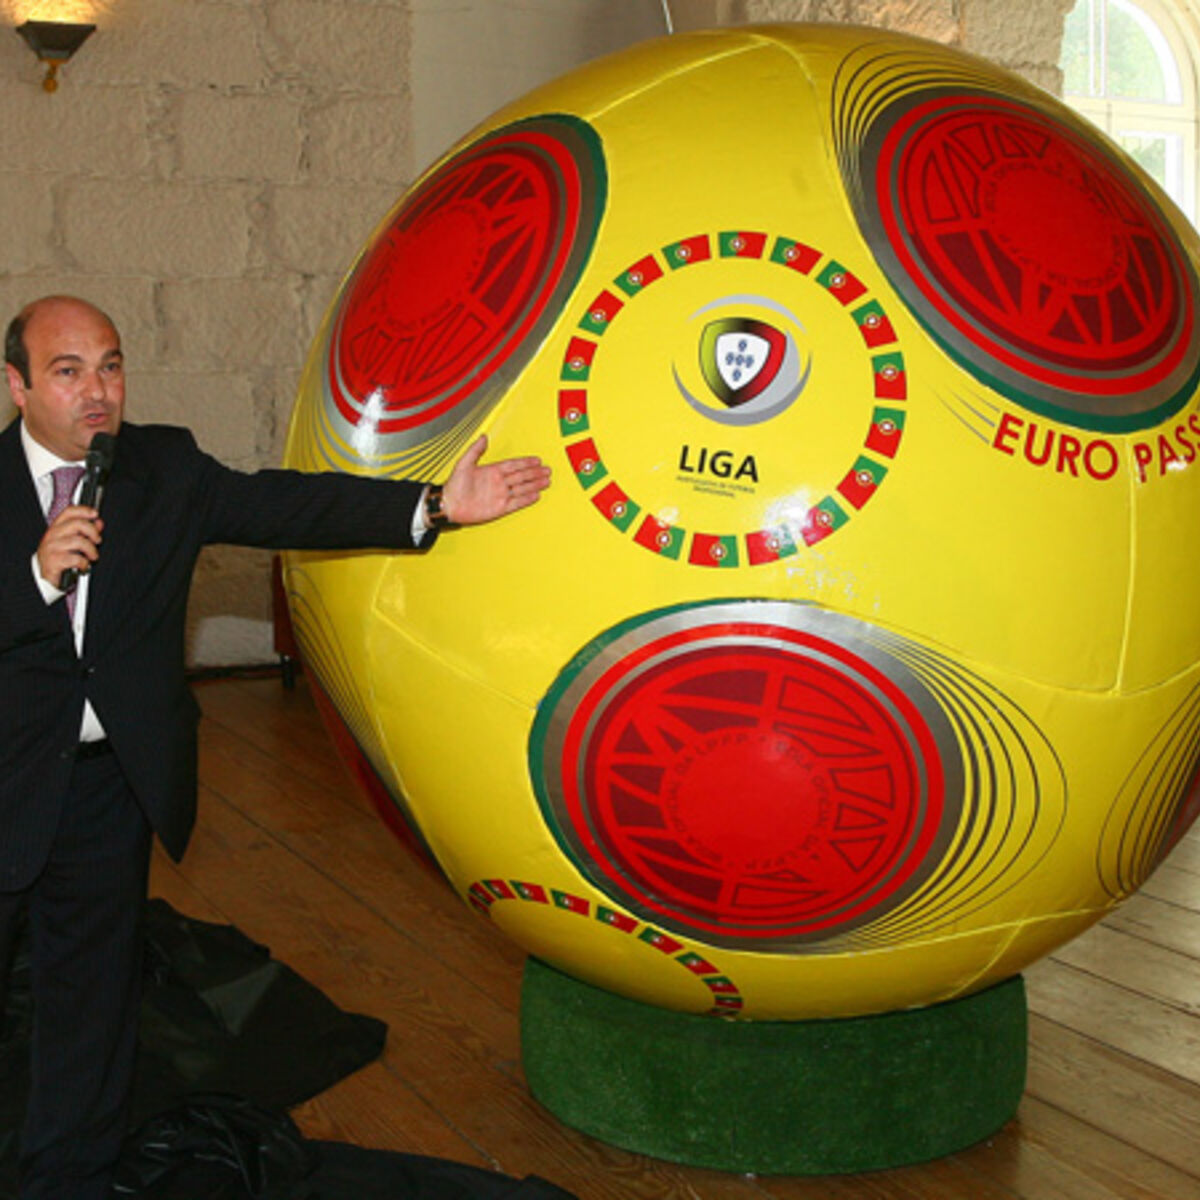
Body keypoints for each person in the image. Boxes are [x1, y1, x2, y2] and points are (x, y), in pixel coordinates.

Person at [0, 294, 551, 1200]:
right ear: (17, 385)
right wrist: (33, 575)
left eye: (110, 365)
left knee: (89, 1012)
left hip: (108, 788)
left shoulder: (162, 468)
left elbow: (283, 503)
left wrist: (434, 507)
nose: (98, 392)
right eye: (68, 372)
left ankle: (66, 1180)